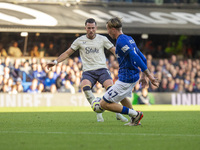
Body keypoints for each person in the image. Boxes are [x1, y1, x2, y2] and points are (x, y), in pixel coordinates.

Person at [46, 18, 128, 122]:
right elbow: (67, 53)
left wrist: (125, 58)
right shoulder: (80, 40)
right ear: (85, 28)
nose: (91, 30)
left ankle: (118, 114)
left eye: (93, 28)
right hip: (88, 71)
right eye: (89, 28)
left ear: (96, 28)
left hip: (102, 69)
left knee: (111, 90)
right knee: (85, 87)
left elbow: (114, 50)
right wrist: (56, 62)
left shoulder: (102, 39)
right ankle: (98, 112)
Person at [99, 17, 159, 126]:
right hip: (133, 76)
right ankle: (134, 120)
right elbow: (143, 58)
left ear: (113, 29)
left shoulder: (121, 41)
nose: (108, 32)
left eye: (108, 29)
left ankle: (135, 114)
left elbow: (135, 56)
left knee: (104, 104)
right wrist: (143, 76)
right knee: (122, 98)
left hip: (126, 78)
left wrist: (148, 75)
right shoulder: (129, 38)